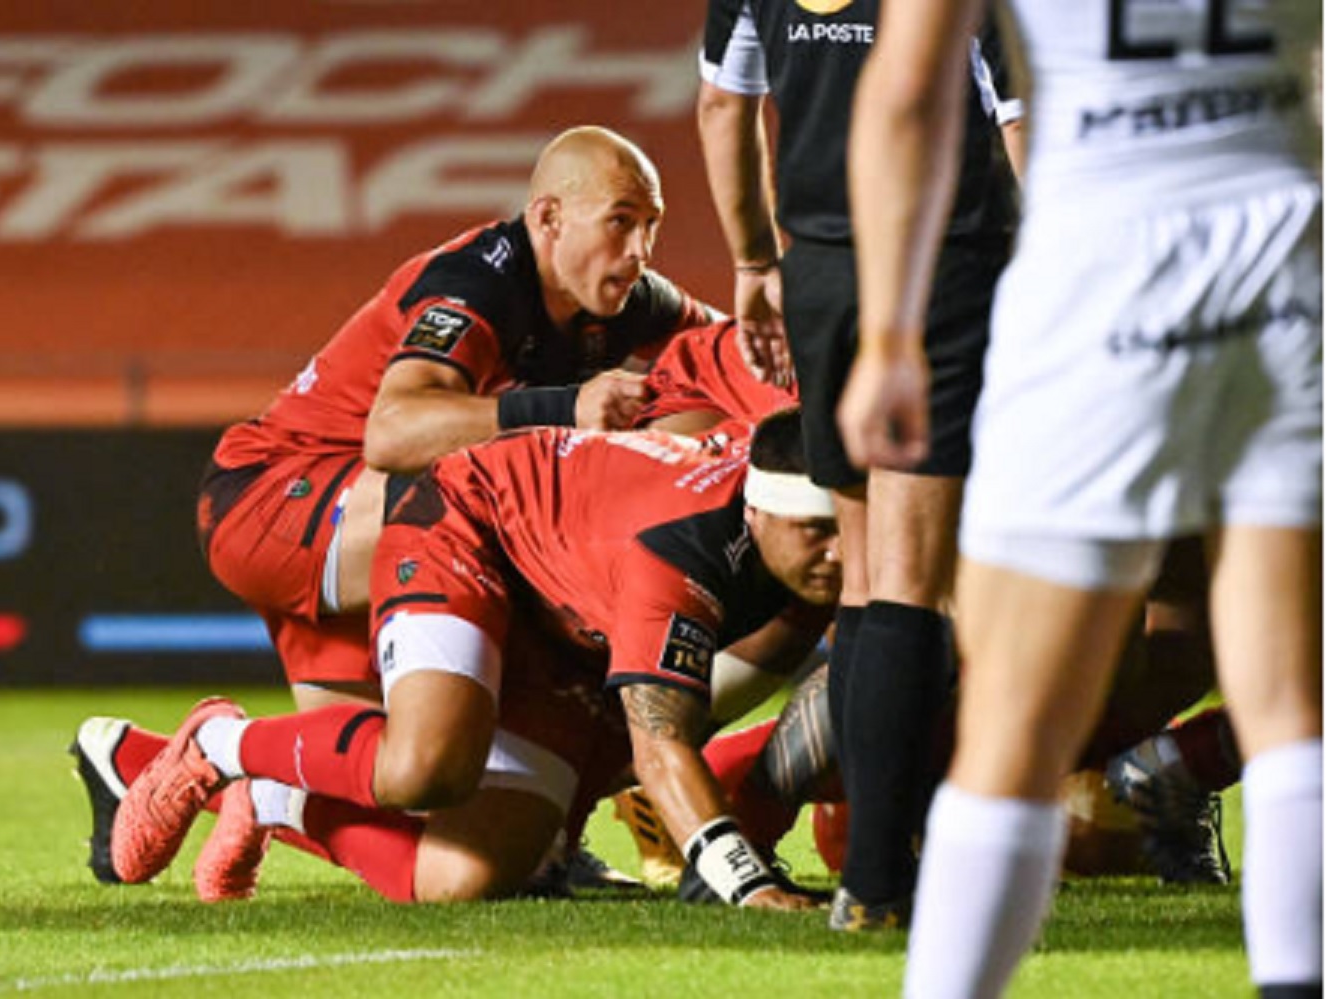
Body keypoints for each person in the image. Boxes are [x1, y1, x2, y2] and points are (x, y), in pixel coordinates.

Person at [69, 125, 714, 885]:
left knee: (436, 842)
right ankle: (565, 812)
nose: (640, 248)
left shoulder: (627, 298)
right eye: (620, 219)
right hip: (280, 505)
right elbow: (395, 430)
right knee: (521, 511)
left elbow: (726, 361)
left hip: (371, 532)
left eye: (651, 225)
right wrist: (570, 409)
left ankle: (190, 770)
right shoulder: (478, 282)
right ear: (546, 218)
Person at [840, 1, 1321, 995]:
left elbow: (906, 91)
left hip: (1101, 255)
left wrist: (890, 334)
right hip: (1286, 242)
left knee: (1014, 726)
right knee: (1289, 709)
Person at [108, 408, 835, 907]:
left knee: (466, 876)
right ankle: (218, 744)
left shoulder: (799, 481)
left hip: (572, 611)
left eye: (844, 527)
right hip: (468, 523)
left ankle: (271, 797)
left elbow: (688, 711)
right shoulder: (677, 556)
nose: (838, 551)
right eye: (814, 532)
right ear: (760, 512)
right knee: (425, 765)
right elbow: (660, 742)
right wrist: (743, 882)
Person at [697, 0, 1024, 929]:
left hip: (821, 273)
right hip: (939, 266)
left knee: (865, 579)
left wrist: (755, 259)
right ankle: (880, 878)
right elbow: (1017, 117)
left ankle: (865, 848)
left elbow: (722, 107)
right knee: (914, 586)